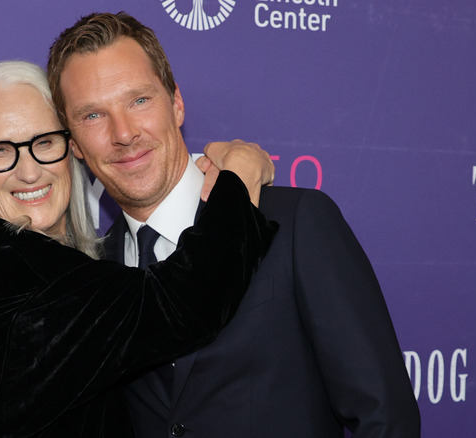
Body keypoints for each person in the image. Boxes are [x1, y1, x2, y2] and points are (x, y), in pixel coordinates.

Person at [47, 12, 421, 437]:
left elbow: (386, 418)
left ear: (176, 103)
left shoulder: (294, 225)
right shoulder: (91, 274)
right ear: (74, 143)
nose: (124, 133)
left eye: (139, 100)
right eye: (93, 116)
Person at [0, 60, 278, 437]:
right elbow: (184, 303)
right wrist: (239, 181)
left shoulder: (52, 267)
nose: (29, 172)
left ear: (72, 149)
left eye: (44, 142)